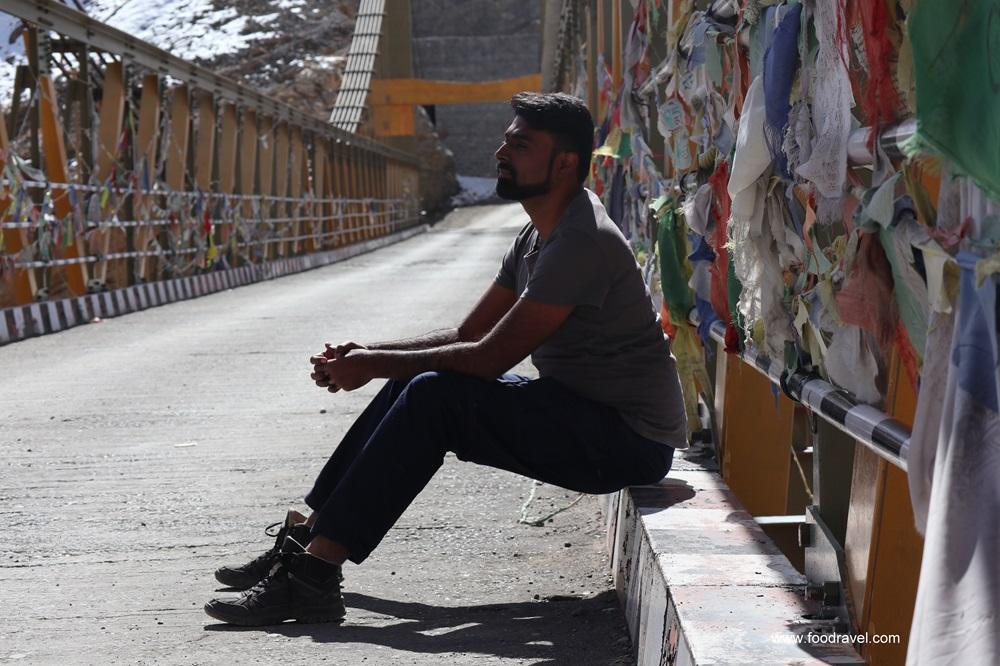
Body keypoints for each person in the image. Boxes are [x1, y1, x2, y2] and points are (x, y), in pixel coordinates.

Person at [204, 92, 688, 626]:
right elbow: (465, 332)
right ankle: (306, 542)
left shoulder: (581, 242)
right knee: (416, 381)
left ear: (566, 162)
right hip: (582, 413)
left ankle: (313, 579)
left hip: (628, 442)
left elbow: (483, 359)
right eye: (506, 140)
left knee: (434, 394)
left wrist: (370, 365)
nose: (502, 152)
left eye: (520, 145)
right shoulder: (539, 233)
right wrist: (371, 353)